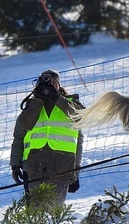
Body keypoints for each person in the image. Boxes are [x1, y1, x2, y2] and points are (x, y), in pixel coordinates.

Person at [10, 69, 84, 206]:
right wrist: (15, 165)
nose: (48, 86)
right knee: (34, 212)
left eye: (52, 82)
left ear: (59, 85)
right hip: (34, 165)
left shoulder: (71, 103)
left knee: (54, 210)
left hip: (62, 165)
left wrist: (76, 170)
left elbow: (80, 121)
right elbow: (20, 134)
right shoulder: (32, 105)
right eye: (44, 83)